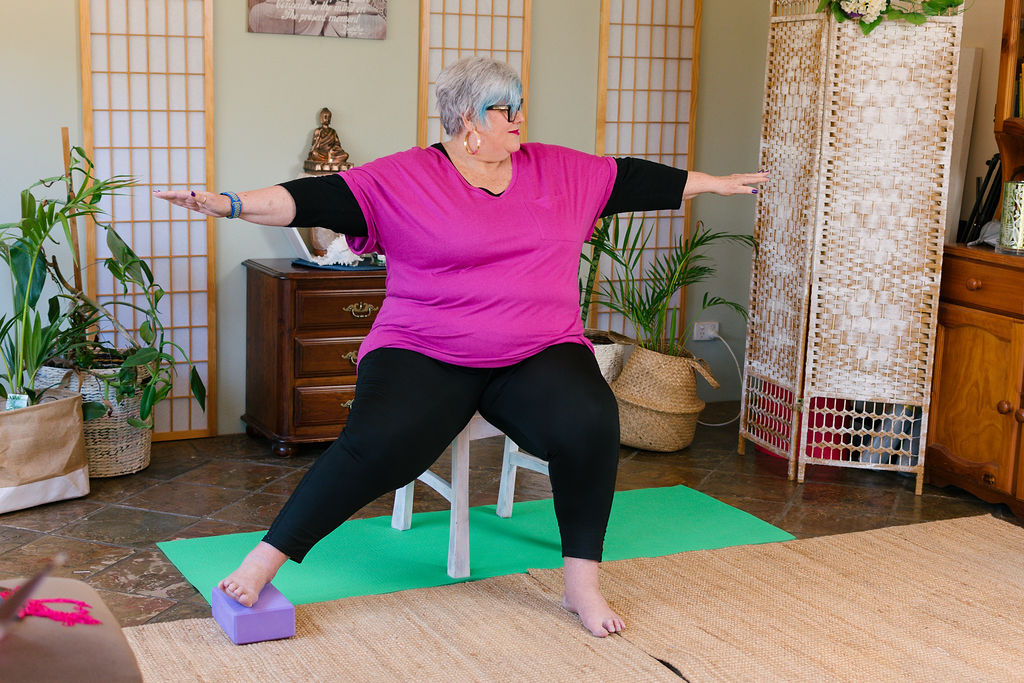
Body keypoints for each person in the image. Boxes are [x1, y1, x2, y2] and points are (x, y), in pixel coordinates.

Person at [154, 56, 766, 638]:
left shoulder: (559, 170)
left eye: (521, 106)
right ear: (467, 119)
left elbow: (633, 177)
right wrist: (229, 204)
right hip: (423, 347)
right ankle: (265, 561)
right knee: (379, 447)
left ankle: (581, 581)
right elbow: (309, 198)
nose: (520, 118)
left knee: (590, 421)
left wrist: (714, 183)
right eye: (507, 109)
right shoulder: (404, 177)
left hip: (538, 348)